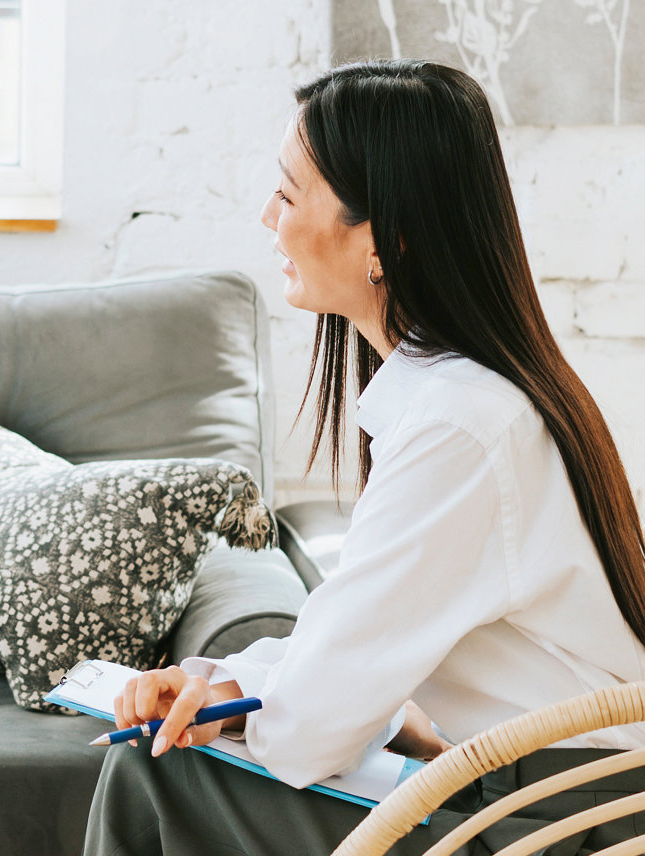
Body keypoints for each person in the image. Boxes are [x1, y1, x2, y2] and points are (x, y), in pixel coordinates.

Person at [81, 60, 645, 855]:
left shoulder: (459, 425)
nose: (266, 216)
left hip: (555, 825)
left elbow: (309, 729)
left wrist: (241, 699)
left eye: (289, 193)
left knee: (154, 768)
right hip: (522, 791)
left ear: (385, 235)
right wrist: (229, 686)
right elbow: (351, 643)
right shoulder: (472, 396)